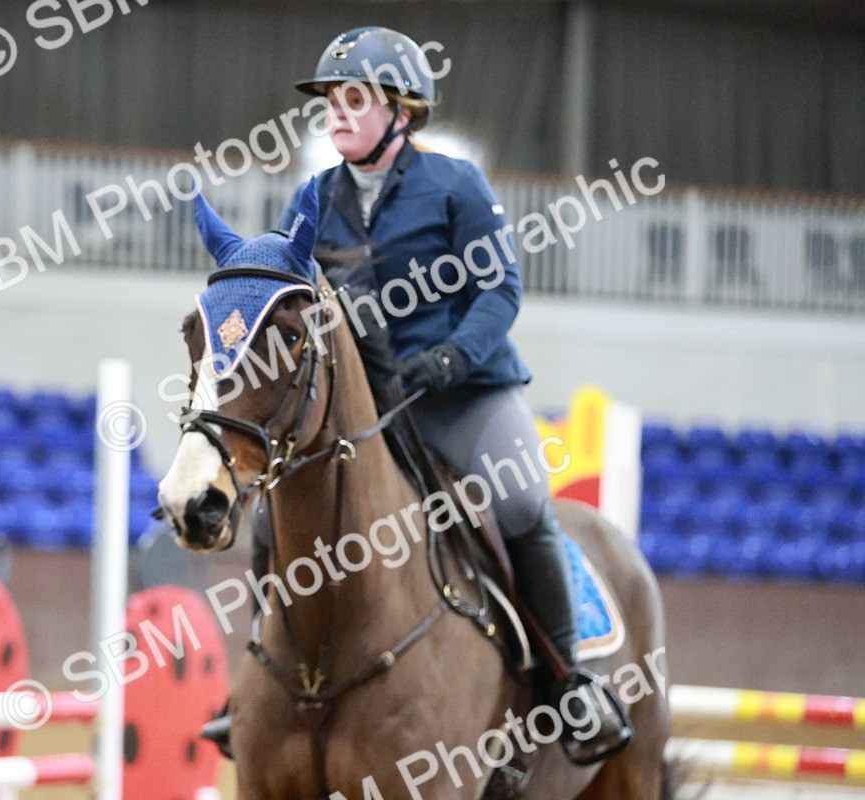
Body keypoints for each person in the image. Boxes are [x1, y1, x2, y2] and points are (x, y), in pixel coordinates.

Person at [205, 26, 632, 766]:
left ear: (401, 112)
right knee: (276, 521)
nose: (336, 113)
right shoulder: (313, 198)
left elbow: (501, 287)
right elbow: (284, 291)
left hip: (465, 396)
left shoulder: (457, 185)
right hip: (367, 408)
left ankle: (567, 682)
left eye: (355, 99)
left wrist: (456, 353)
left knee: (524, 504)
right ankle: (266, 679)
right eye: (331, 101)